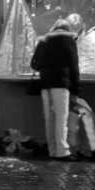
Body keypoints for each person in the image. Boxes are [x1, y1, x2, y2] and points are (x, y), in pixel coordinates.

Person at [29, 14, 83, 158]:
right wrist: (76, 89)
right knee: (61, 118)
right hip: (61, 84)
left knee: (49, 119)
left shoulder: (44, 42)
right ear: (68, 29)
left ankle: (52, 150)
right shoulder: (69, 41)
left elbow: (34, 64)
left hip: (45, 84)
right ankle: (62, 151)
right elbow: (74, 68)